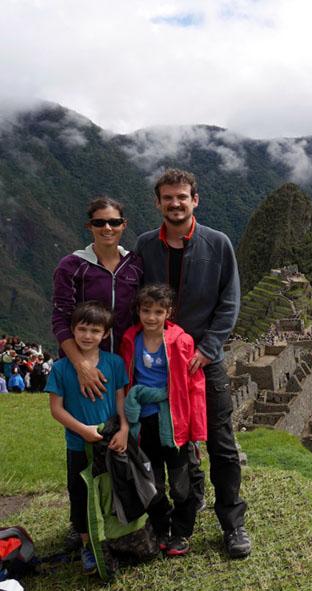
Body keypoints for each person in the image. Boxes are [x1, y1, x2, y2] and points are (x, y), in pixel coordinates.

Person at [135, 169, 249, 559]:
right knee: (163, 442)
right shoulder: (145, 246)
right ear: (158, 203)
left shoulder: (217, 244)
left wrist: (208, 348)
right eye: (168, 197)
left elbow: (229, 302)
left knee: (221, 443)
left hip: (205, 361)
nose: (175, 203)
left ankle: (232, 523)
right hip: (159, 365)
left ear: (195, 200)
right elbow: (138, 301)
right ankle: (167, 519)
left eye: (182, 196)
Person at [120, 284, 206, 557]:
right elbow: (125, 380)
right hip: (143, 423)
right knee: (152, 483)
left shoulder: (181, 342)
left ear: (169, 313)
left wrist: (196, 428)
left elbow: (194, 386)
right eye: (146, 310)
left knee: (181, 484)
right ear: (138, 311)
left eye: (158, 312)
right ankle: (161, 526)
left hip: (174, 422)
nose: (152, 317)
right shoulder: (130, 340)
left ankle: (181, 532)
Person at [45, 301, 130, 574]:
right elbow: (56, 409)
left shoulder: (114, 363)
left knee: (111, 490)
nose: (87, 336)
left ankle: (115, 537)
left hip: (110, 440)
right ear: (72, 330)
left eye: (95, 330)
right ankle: (87, 544)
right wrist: (82, 430)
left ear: (106, 334)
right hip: (78, 444)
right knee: (80, 492)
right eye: (82, 329)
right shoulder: (61, 368)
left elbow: (121, 399)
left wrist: (124, 429)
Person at [52, 197, 142, 399]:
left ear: (124, 224)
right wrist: (82, 366)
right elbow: (60, 319)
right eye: (99, 223)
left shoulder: (135, 265)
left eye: (114, 222)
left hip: (127, 365)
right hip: (84, 364)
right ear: (89, 226)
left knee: (126, 418)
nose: (107, 228)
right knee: (86, 417)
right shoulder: (72, 266)